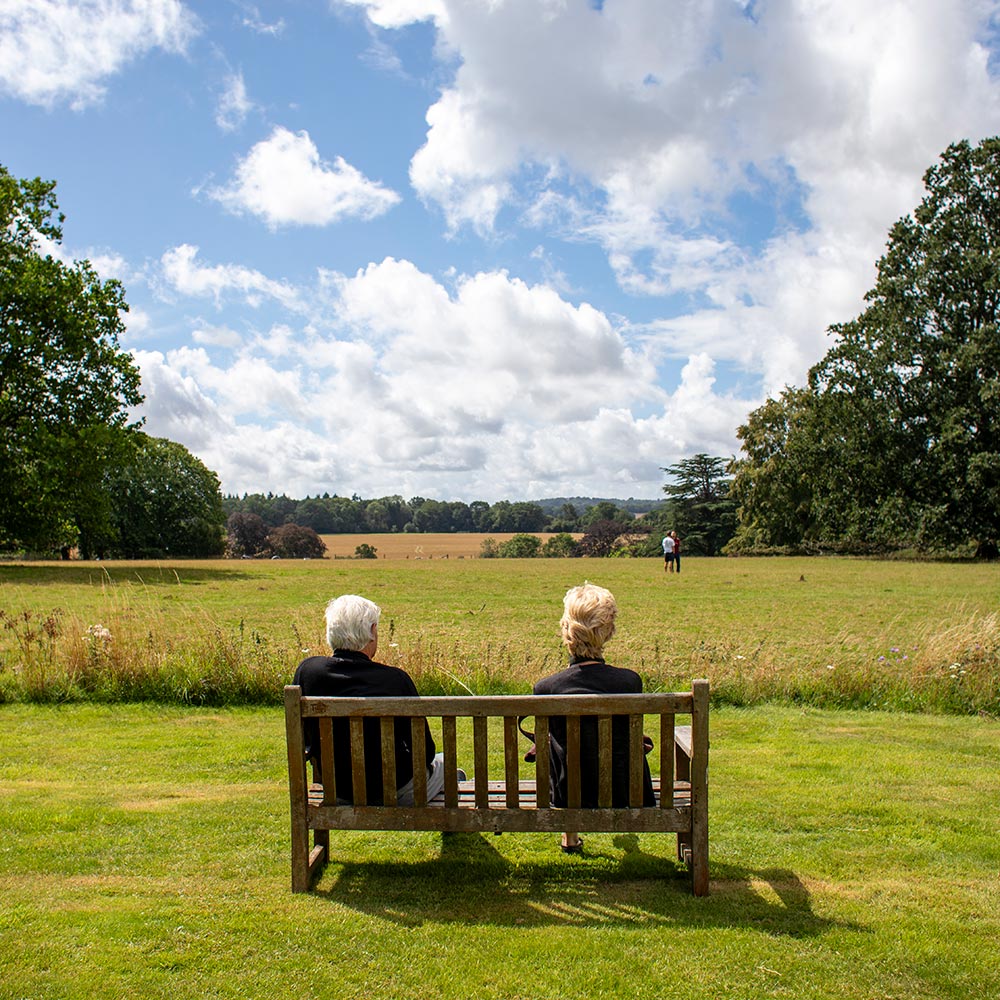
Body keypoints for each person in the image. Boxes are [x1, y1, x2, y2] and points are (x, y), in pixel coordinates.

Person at [292, 594, 453, 805]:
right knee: (445, 763)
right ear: (372, 631)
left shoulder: (308, 672)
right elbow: (425, 752)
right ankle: (454, 781)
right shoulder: (395, 680)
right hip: (396, 791)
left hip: (338, 789)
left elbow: (306, 739)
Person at [532, 583, 655, 853]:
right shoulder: (629, 682)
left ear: (567, 630)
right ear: (608, 631)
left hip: (567, 794)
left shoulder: (546, 689)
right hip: (625, 789)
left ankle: (570, 836)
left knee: (567, 755)